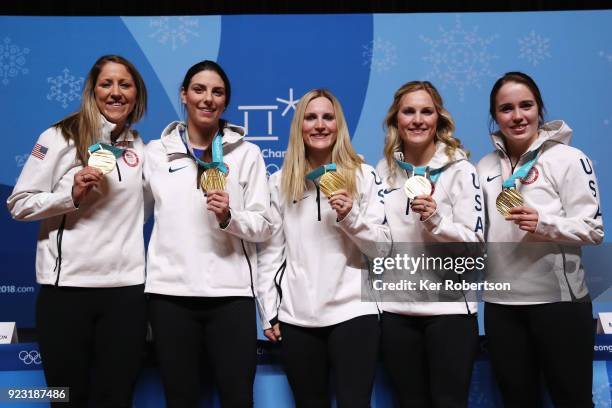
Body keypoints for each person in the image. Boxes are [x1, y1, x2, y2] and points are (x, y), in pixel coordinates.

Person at [7, 55, 148, 407]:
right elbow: (19, 203)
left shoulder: (140, 146)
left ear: (136, 94)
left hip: (126, 293)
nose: (116, 93)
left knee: (117, 398)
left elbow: (142, 211)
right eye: (107, 84)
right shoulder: (57, 136)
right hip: (67, 291)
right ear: (92, 91)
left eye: (125, 85)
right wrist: (70, 196)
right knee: (66, 399)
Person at [143, 60, 272, 408]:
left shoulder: (247, 154)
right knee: (180, 399)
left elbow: (264, 225)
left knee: (237, 398)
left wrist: (230, 216)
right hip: (170, 296)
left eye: (217, 92)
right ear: (184, 95)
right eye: (199, 89)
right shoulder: (154, 153)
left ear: (225, 102)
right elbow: (129, 217)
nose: (207, 98)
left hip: (230, 296)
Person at [477, 71, 604, 407]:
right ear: (495, 116)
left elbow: (593, 229)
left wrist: (543, 223)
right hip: (501, 306)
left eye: (526, 106)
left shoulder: (569, 159)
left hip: (559, 305)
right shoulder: (484, 167)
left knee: (572, 400)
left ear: (539, 109)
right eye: (506, 109)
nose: (517, 116)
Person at [257, 89, 391, 408]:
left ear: (338, 125)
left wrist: (350, 216)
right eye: (311, 117)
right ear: (299, 126)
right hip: (297, 317)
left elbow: (383, 250)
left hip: (354, 312)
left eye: (328, 117)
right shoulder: (280, 183)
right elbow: (271, 255)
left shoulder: (364, 176)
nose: (320, 125)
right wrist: (269, 310)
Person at [376, 81, 483, 408]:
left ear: (439, 119)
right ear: (396, 119)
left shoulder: (462, 170)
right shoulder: (384, 171)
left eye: (427, 111)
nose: (418, 120)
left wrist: (436, 221)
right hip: (396, 313)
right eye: (409, 111)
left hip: (449, 311)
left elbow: (476, 244)